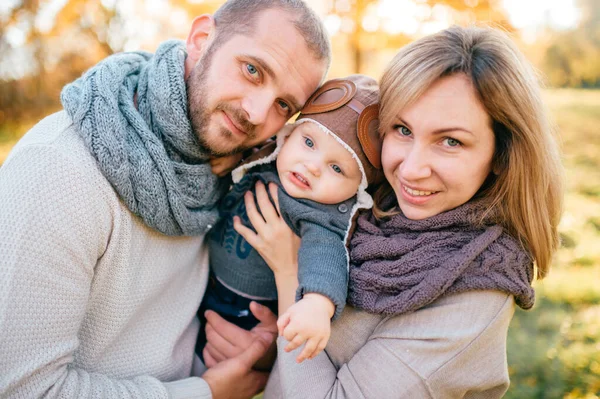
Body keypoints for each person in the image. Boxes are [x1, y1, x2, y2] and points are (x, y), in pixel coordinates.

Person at [202, 25, 564, 398]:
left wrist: (288, 274)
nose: (409, 169)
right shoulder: (375, 199)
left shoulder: (469, 301)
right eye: (403, 129)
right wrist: (263, 353)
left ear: (503, 155)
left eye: (450, 141)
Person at [0, 1, 330, 398]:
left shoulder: (235, 168)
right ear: (201, 39)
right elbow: (22, 389)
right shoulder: (60, 170)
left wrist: (255, 348)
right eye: (252, 70)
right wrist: (204, 391)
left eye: (283, 105)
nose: (256, 114)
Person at [196, 75, 383, 366]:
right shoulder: (271, 157)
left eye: (336, 168)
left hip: (247, 309)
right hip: (203, 277)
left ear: (356, 190)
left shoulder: (321, 214)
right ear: (289, 134)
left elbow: (325, 255)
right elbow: (251, 146)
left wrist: (317, 305)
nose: (311, 166)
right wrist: (230, 157)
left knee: (212, 360)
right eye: (308, 142)